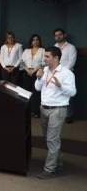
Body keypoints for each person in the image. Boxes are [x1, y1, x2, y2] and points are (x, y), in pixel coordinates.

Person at [34, 46, 76, 179]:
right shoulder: (45, 70)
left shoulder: (66, 73)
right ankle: (57, 162)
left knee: (52, 139)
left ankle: (49, 169)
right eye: (44, 56)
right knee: (48, 138)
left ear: (56, 58)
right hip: (44, 108)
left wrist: (60, 86)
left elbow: (73, 92)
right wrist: (39, 78)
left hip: (57, 110)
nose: (44, 59)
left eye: (47, 56)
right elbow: (37, 88)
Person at [53, 28, 77, 123]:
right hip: (56, 74)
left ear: (64, 35)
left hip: (68, 74)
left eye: (60, 34)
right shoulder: (54, 47)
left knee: (68, 95)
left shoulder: (71, 47)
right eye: (56, 35)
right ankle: (58, 115)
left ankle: (69, 116)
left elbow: (71, 62)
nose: (58, 36)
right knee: (57, 94)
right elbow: (53, 60)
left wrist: (62, 72)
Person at [22, 34, 45, 118]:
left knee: (36, 93)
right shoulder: (26, 51)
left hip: (37, 73)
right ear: (31, 42)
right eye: (33, 40)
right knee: (27, 92)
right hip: (26, 73)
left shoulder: (42, 50)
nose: (35, 41)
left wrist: (34, 71)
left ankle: (36, 112)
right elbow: (22, 62)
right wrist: (28, 70)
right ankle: (28, 111)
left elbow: (43, 62)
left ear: (39, 41)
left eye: (37, 39)